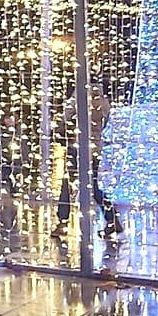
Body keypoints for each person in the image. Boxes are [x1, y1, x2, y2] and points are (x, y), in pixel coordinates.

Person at [51, 82, 123, 239]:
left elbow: (65, 118)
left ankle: (62, 223)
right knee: (93, 186)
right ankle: (112, 219)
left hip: (76, 146)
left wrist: (59, 130)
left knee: (68, 185)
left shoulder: (78, 97)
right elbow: (103, 125)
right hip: (94, 148)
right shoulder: (103, 101)